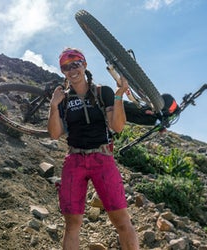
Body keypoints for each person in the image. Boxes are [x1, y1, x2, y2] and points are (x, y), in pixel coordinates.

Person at [47, 48, 139, 250]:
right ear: (62, 71)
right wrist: (54, 107)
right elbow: (54, 134)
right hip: (74, 160)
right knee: (72, 224)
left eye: (75, 64)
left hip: (102, 158)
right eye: (65, 67)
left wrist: (118, 96)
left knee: (122, 220)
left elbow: (117, 126)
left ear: (84, 65)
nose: (71, 70)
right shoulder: (63, 99)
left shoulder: (101, 92)